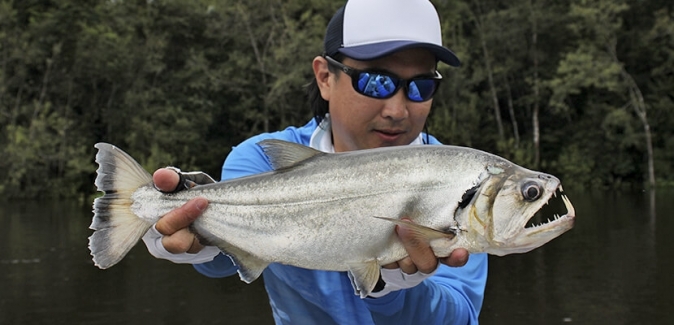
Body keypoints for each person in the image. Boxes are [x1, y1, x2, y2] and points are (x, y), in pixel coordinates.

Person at [142, 0, 488, 323]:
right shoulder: (262, 158)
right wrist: (189, 232)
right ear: (325, 77)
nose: (397, 110)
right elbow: (226, 261)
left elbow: (462, 315)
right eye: (376, 82)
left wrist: (393, 289)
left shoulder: (460, 182)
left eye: (421, 87)